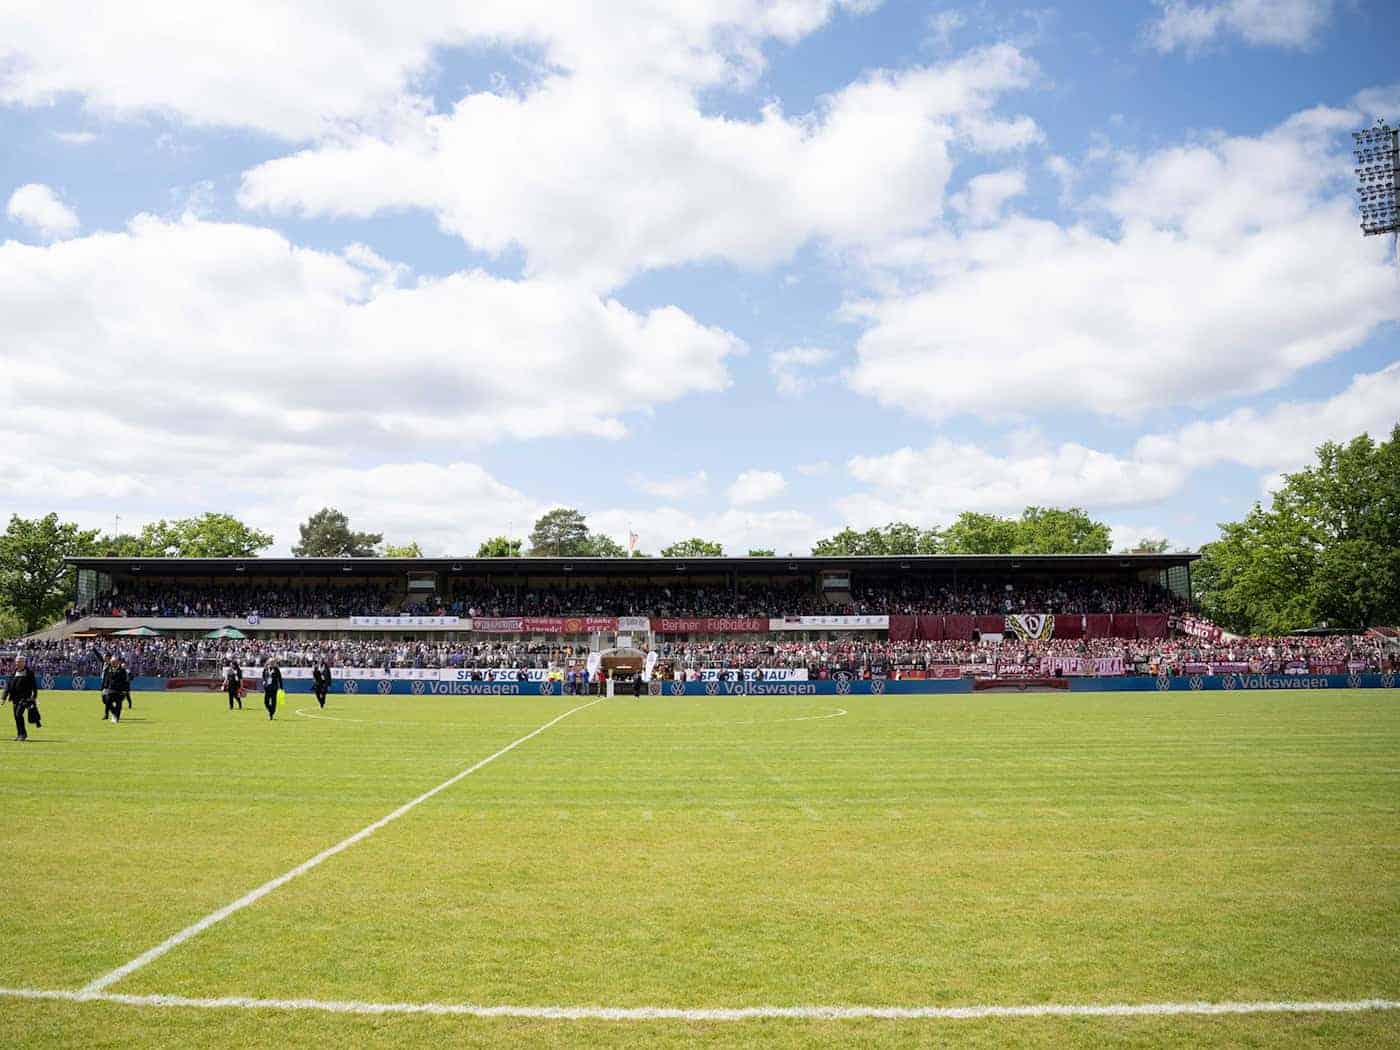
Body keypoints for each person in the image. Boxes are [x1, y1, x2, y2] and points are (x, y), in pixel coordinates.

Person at [4, 655, 40, 741]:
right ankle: (19, 734)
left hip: (25, 698)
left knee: (18, 714)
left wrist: (34, 696)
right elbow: (8, 686)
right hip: (14, 698)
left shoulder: (29, 673)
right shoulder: (13, 673)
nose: (18, 663)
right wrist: (4, 697)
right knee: (16, 716)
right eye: (17, 662)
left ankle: (23, 734)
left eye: (20, 662)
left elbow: (34, 686)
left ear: (24, 663)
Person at [100, 655, 128, 723]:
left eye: (114, 662)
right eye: (112, 662)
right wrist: (104, 688)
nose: (113, 663)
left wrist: (125, 690)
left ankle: (116, 718)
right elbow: (106, 679)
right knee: (108, 702)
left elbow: (125, 681)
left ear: (118, 662)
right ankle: (114, 714)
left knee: (119, 705)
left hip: (119, 690)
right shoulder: (108, 669)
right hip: (110, 689)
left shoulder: (122, 670)